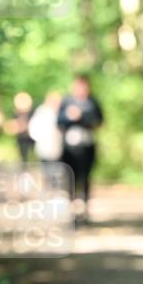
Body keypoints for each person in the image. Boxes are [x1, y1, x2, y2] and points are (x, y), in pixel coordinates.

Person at [58, 75, 103, 221]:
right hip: (70, 146)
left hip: (87, 145)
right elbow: (58, 121)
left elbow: (99, 120)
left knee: (85, 177)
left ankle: (84, 208)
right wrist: (70, 118)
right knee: (70, 177)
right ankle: (71, 208)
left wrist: (82, 117)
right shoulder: (67, 101)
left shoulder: (92, 102)